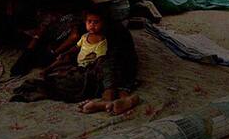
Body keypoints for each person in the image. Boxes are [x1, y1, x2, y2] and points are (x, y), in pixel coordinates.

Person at [11, 9, 140, 114]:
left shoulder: (104, 35)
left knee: (107, 68)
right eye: (89, 22)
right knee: (67, 80)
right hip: (104, 68)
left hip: (117, 64)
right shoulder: (85, 34)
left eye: (95, 22)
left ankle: (109, 98)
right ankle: (125, 99)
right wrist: (51, 67)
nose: (92, 25)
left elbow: (77, 42)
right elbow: (73, 50)